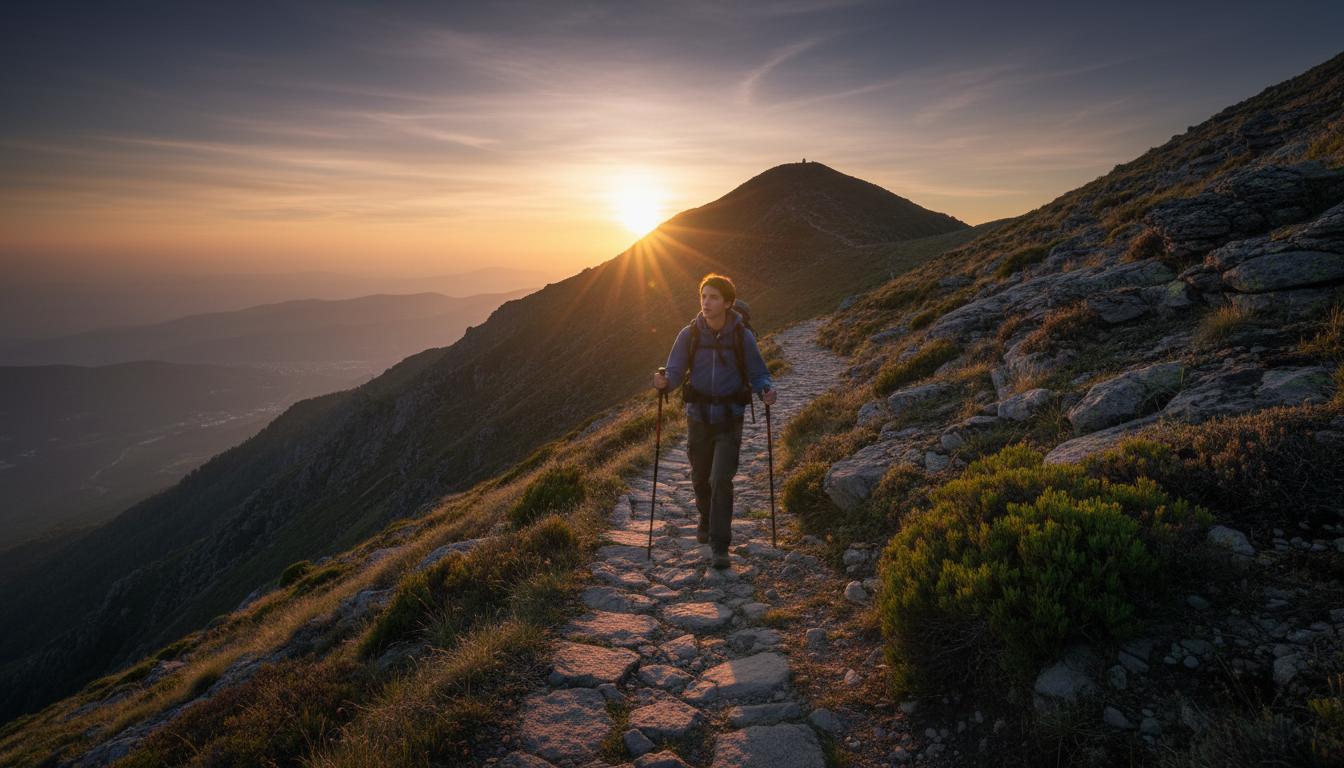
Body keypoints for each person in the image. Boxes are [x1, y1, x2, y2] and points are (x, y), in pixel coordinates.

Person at [653, 274, 777, 569]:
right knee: (700, 479)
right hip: (698, 419)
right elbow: (673, 372)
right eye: (703, 296)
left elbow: (758, 372)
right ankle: (705, 519)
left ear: (728, 303)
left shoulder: (741, 336)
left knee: (720, 480)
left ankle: (720, 545)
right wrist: (661, 382)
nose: (706, 303)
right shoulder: (690, 334)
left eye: (713, 297)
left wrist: (766, 390)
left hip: (730, 419)